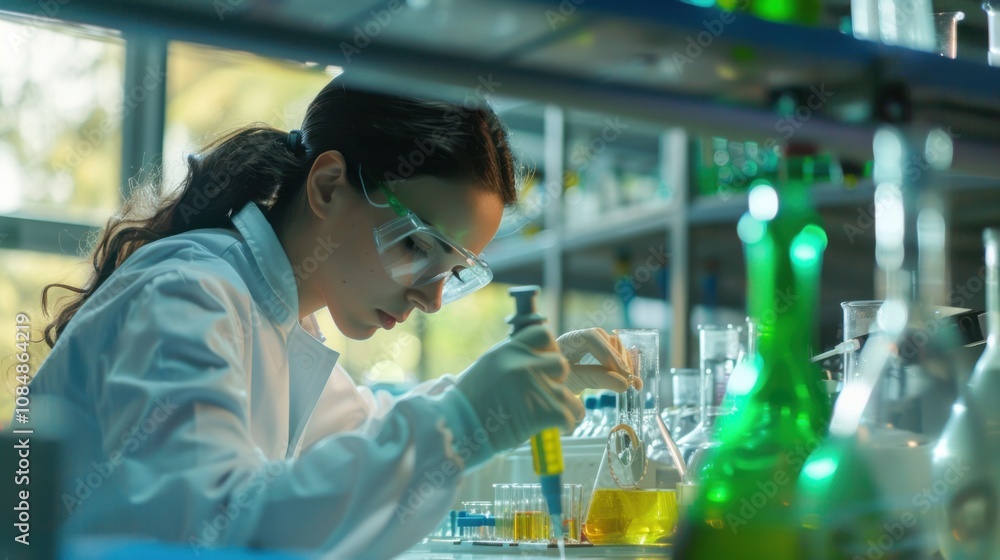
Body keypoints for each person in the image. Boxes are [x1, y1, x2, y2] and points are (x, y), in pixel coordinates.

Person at [29, 76, 633, 558]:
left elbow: (364, 437)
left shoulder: (279, 317)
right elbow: (217, 529)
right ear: (327, 185)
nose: (430, 299)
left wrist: (534, 387)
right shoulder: (187, 296)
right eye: (416, 247)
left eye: (451, 272)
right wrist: (466, 419)